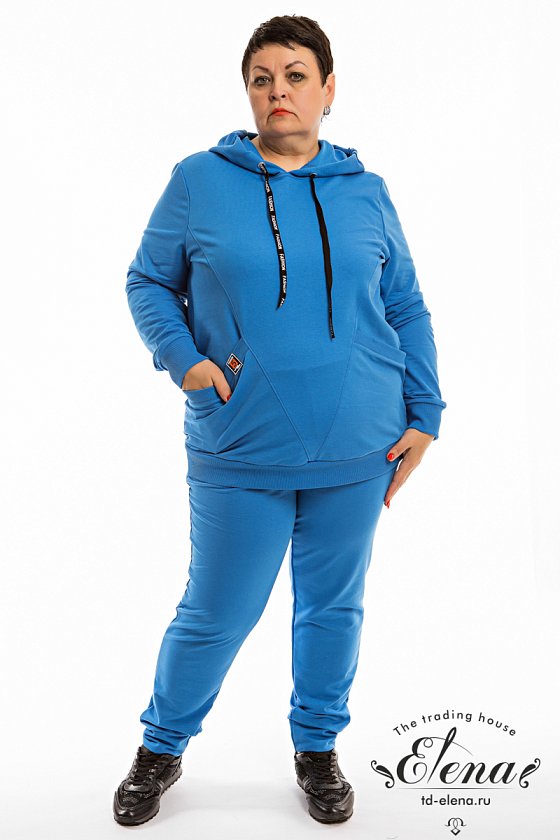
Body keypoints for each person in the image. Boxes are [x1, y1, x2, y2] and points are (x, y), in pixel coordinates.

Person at [113, 14, 447, 828]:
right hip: (240, 441)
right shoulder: (199, 179)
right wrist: (186, 363)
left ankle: (317, 747)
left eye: (296, 76)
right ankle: (161, 746)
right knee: (217, 611)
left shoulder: (367, 190)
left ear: (329, 89)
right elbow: (148, 281)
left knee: (333, 607)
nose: (278, 92)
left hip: (362, 441)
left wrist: (426, 411)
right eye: (262, 78)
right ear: (248, 92)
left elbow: (404, 304)